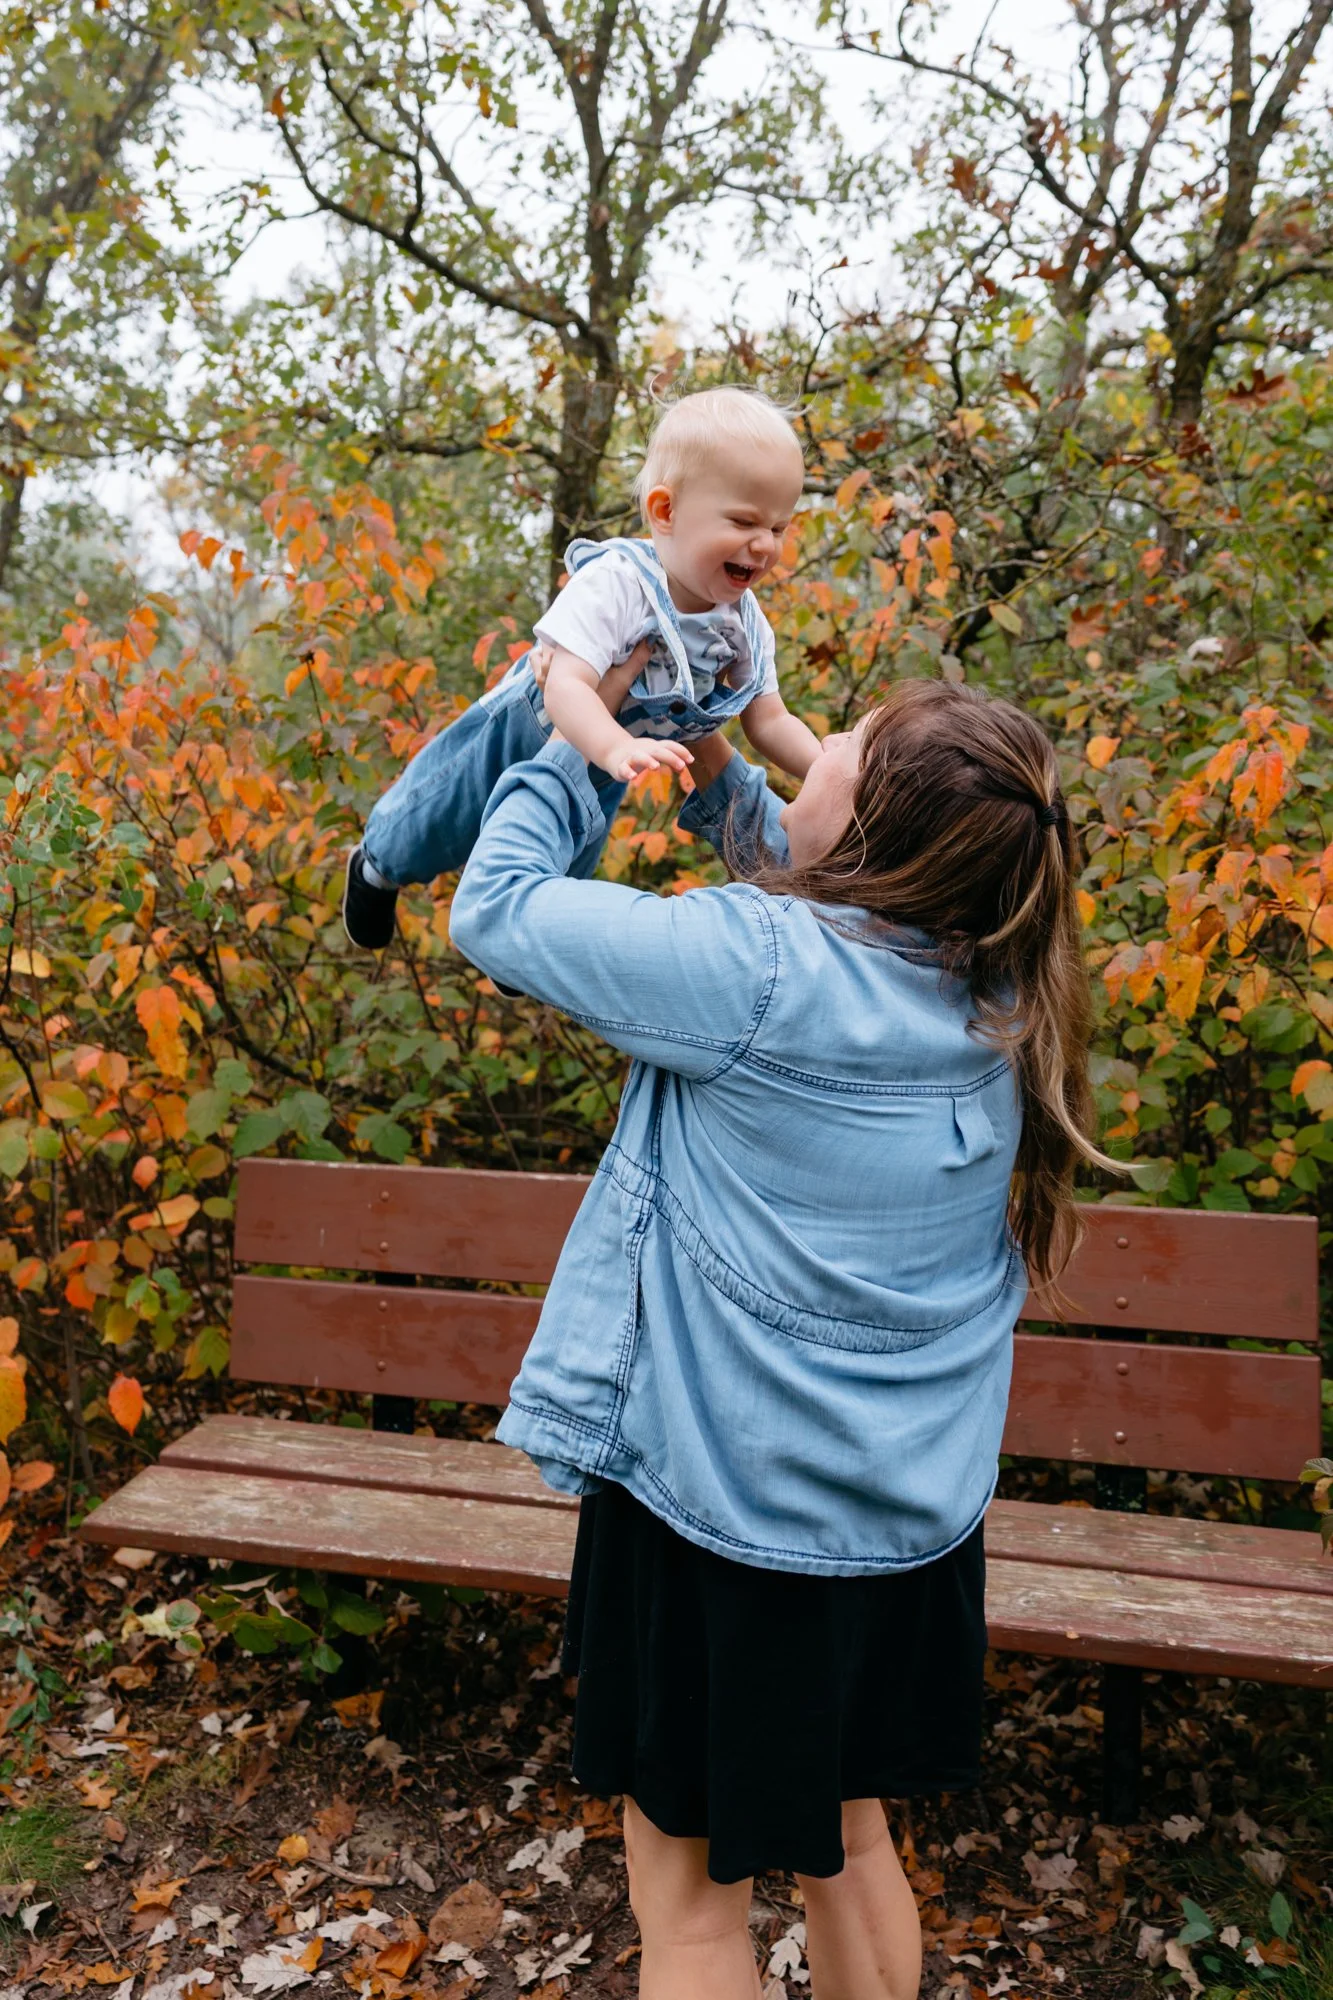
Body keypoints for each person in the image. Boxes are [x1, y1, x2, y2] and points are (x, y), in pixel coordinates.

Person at [447, 674, 1105, 1998]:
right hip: (906, 1534)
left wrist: (584, 739)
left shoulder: (751, 970)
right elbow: (832, 883)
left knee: (689, 1906)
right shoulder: (1000, 982)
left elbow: (496, 908)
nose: (796, 759)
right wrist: (722, 764)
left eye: (829, 755)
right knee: (853, 1840)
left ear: (868, 836)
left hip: (722, 1529)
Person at [342, 386, 822, 950]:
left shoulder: (741, 622)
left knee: (572, 854)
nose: (764, 545)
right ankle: (375, 866)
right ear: (666, 511)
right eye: (744, 522)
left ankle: (524, 942)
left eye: (779, 527)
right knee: (443, 813)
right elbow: (563, 687)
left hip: (607, 761)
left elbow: (767, 718)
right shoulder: (620, 581)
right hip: (530, 729)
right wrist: (614, 745)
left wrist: (827, 772)